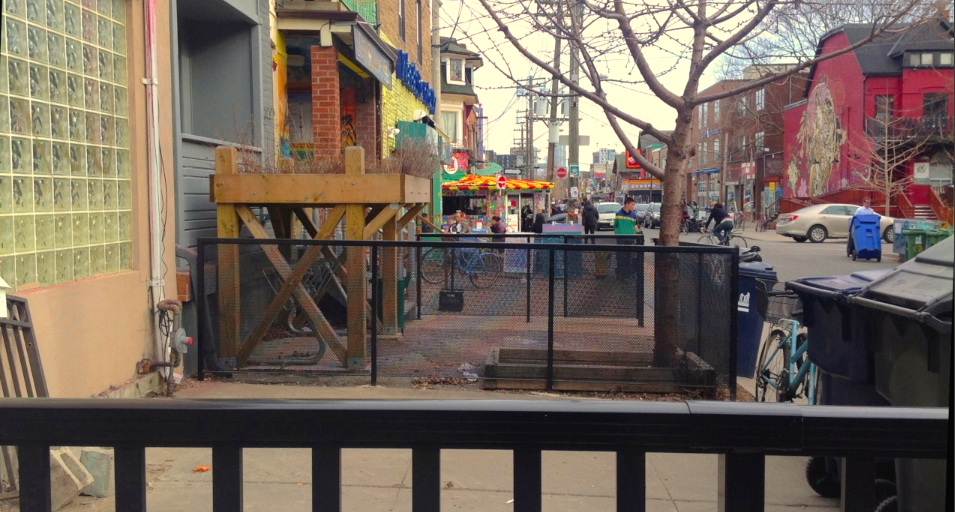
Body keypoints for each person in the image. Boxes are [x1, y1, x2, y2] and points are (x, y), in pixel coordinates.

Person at [613, 197, 641, 279]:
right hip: (621, 239)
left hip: (630, 239)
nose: (633, 206)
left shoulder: (634, 215)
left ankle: (627, 274)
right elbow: (615, 226)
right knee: (620, 257)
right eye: (632, 204)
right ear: (627, 204)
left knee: (629, 257)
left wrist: (637, 232)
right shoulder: (618, 214)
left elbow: (635, 225)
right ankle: (620, 273)